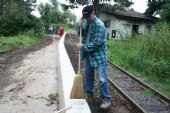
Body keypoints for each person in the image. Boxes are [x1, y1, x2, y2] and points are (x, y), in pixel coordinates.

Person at [78, 5, 111, 109]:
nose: (87, 19)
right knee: (88, 75)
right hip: (88, 53)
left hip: (98, 55)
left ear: (93, 13)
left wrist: (83, 46)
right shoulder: (87, 21)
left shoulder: (99, 25)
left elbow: (96, 44)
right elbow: (81, 33)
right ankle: (90, 94)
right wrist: (79, 27)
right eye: (85, 17)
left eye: (88, 17)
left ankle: (106, 100)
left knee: (102, 79)